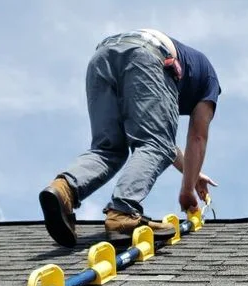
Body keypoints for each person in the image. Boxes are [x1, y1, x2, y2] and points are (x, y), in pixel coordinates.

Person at [39, 29, 220, 247]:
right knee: (155, 144)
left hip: (104, 55)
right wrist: (187, 189)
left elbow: (165, 143)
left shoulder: (191, 70)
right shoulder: (210, 83)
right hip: (147, 56)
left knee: (109, 149)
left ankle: (64, 189)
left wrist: (192, 174)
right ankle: (123, 212)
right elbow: (197, 137)